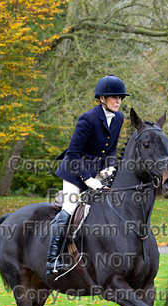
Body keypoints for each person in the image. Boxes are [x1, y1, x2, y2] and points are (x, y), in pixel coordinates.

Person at [46, 75, 129, 274]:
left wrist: (110, 167)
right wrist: (88, 179)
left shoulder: (118, 118)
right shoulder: (88, 118)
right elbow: (73, 154)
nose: (118, 101)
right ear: (102, 98)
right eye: (114, 98)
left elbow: (112, 148)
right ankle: (52, 260)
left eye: (120, 98)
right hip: (75, 172)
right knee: (69, 208)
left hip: (97, 172)